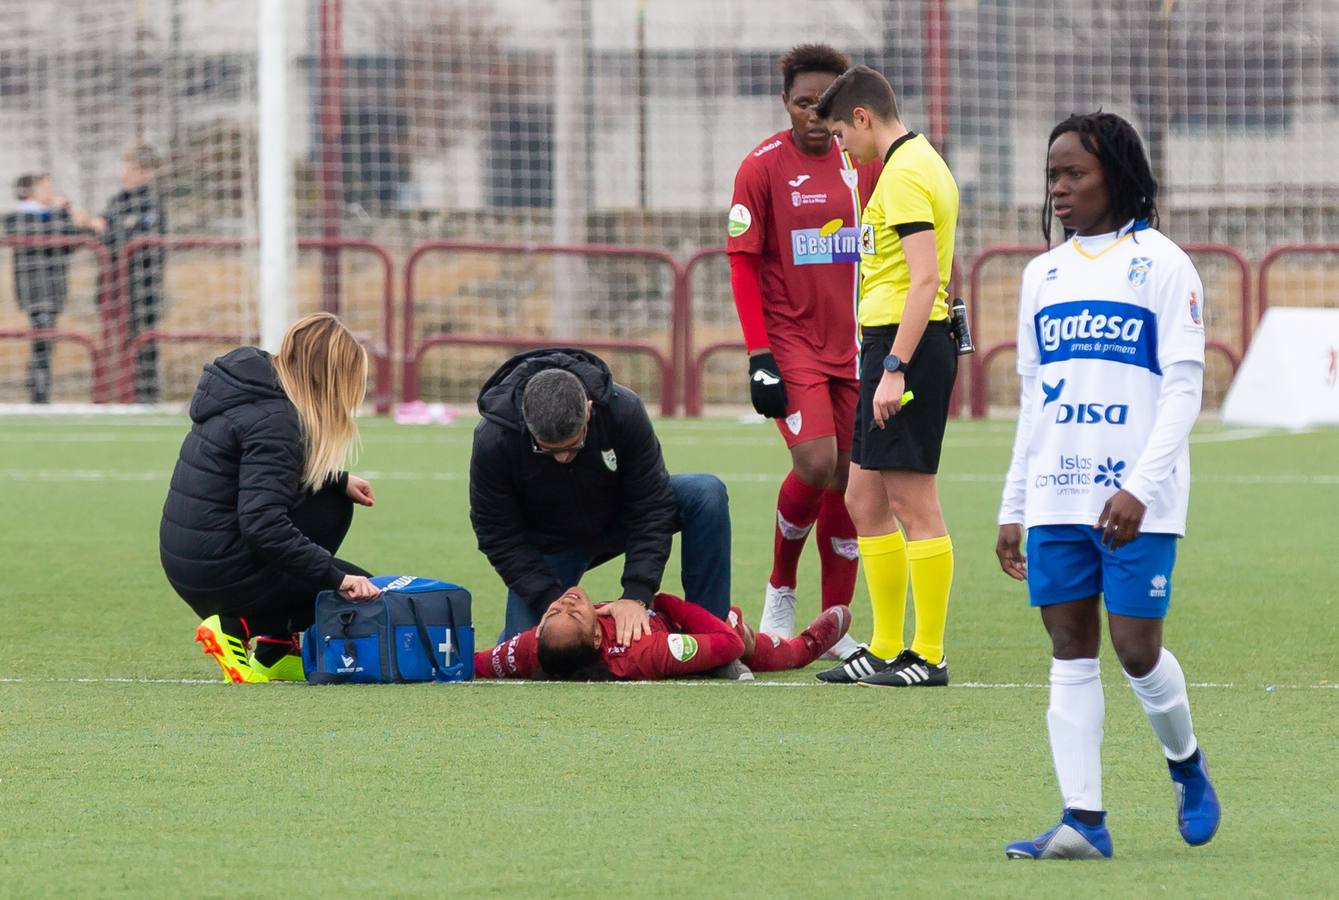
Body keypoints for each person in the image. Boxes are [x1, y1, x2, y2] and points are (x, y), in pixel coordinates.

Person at [996, 112, 1221, 859]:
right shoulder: (1041, 275)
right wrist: (1012, 505)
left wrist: (1138, 485)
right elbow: (1034, 398)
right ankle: (1082, 821)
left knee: (1133, 649)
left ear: (1114, 177)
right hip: (1056, 493)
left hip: (1137, 498)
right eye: (1051, 175)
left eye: (1073, 174)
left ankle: (1184, 762)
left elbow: (1184, 389)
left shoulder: (1163, 265)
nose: (1058, 188)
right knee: (1068, 644)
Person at [727, 44, 881, 659]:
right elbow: (741, 267)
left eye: (827, 103)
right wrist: (758, 355)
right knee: (816, 463)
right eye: (803, 103)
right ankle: (780, 586)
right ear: (786, 103)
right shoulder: (761, 167)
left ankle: (836, 625)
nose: (816, 114)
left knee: (850, 482)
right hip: (791, 343)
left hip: (858, 343)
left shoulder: (864, 165)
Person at [811, 66, 961, 686]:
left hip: (910, 347)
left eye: (842, 134)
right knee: (862, 497)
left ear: (864, 118)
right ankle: (886, 644)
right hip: (891, 345)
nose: (842, 148)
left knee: (911, 501)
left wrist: (895, 367)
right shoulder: (918, 161)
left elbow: (924, 279)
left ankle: (927, 656)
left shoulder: (902, 175)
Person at [468, 348, 744, 675]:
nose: (562, 459)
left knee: (705, 493)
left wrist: (637, 595)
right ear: (526, 424)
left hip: (619, 518)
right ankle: (525, 627)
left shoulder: (623, 410)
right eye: (547, 451)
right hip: (552, 543)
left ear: (588, 412)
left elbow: (651, 504)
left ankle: (711, 641)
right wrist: (550, 602)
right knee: (536, 654)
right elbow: (497, 533)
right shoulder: (493, 439)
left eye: (572, 447)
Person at [160, 312, 379, 684]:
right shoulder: (278, 421)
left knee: (333, 502)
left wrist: (335, 479)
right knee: (353, 590)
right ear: (326, 378)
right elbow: (263, 524)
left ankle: (276, 651)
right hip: (218, 571)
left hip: (195, 558)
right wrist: (335, 578)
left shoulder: (255, 392)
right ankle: (234, 626)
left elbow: (252, 478)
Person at [476, 587, 851, 681]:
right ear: (594, 640)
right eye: (572, 613)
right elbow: (726, 642)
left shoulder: (532, 648)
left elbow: (474, 664)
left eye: (554, 610)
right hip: (684, 630)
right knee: (742, 637)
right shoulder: (644, 652)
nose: (565, 601)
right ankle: (806, 646)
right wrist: (664, 602)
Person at [3, 173, 100, 403]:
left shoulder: (51, 217)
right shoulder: (19, 216)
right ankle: (38, 393)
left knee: (45, 342)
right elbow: (42, 234)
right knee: (42, 339)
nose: (52, 193)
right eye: (45, 188)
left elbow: (71, 240)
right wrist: (61, 212)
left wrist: (84, 222)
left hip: (54, 290)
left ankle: (39, 391)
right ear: (30, 193)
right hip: (35, 292)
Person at [99, 143, 168, 403]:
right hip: (113, 285)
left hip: (144, 285)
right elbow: (105, 230)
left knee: (143, 338)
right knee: (116, 339)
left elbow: (129, 236)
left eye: (130, 170)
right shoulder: (118, 200)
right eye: (124, 169)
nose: (123, 175)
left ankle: (146, 396)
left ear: (146, 173)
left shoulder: (152, 202)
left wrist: (104, 228)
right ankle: (119, 393)